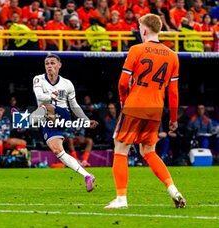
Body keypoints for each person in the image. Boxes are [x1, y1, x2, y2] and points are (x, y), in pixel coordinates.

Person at [104, 14, 186, 209]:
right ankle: (172, 189)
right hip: (156, 109)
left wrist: (124, 100)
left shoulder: (136, 49)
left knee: (121, 149)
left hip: (135, 105)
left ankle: (121, 199)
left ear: (144, 30)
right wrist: (173, 118)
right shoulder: (173, 55)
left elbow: (124, 82)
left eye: (140, 28)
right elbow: (173, 92)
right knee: (148, 151)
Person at [27, 54, 99, 192]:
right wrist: (51, 96)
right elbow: (39, 96)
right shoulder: (38, 79)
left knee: (44, 107)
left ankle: (28, 121)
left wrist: (86, 120)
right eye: (47, 63)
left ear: (59, 65)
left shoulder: (67, 84)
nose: (49, 66)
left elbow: (74, 106)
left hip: (62, 115)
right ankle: (87, 176)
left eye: (52, 63)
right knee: (57, 150)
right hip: (47, 118)